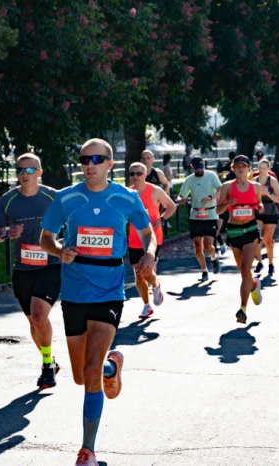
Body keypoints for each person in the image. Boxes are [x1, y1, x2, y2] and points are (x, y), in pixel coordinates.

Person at [39, 138, 157, 466]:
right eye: (84, 159)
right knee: (82, 375)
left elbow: (149, 234)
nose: (89, 164)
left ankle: (87, 450)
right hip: (74, 293)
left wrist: (149, 252)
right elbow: (45, 238)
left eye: (96, 158)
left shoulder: (125, 197)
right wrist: (59, 250)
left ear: (109, 164)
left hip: (109, 291)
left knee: (88, 370)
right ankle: (111, 366)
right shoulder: (66, 198)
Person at [0, 153, 62, 390]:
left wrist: (64, 244)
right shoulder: (8, 200)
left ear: (39, 172)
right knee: (33, 322)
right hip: (23, 269)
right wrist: (6, 234)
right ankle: (50, 358)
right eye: (20, 170)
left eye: (30, 170)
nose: (24, 175)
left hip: (50, 266)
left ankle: (47, 367)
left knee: (39, 315)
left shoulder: (54, 196)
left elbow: (73, 221)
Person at [216, 155, 264, 324]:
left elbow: (259, 205)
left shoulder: (256, 187)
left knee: (245, 267)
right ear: (233, 169)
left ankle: (243, 309)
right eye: (237, 166)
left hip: (250, 229)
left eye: (244, 166)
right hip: (234, 231)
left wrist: (260, 207)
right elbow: (218, 209)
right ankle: (253, 285)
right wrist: (229, 203)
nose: (241, 169)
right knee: (244, 272)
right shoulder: (227, 187)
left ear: (249, 169)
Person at [127, 162, 177, 318]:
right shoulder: (128, 193)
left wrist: (161, 219)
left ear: (145, 174)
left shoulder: (155, 191)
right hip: (134, 239)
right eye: (132, 174)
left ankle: (155, 285)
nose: (135, 176)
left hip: (152, 238)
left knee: (145, 270)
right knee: (138, 273)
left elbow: (171, 206)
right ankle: (146, 306)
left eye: (139, 173)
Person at [177, 156, 222, 281]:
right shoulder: (189, 180)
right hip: (195, 215)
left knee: (208, 245)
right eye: (197, 169)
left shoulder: (211, 175)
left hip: (210, 214)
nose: (200, 171)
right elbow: (180, 196)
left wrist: (210, 197)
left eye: (201, 168)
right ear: (192, 168)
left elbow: (220, 190)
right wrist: (182, 200)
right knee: (198, 246)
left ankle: (214, 258)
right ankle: (204, 271)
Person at [253, 158, 279, 275]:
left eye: (264, 168)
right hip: (259, 210)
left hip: (270, 210)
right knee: (257, 238)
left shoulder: (272, 181)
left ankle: (270, 263)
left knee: (268, 240)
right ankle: (259, 262)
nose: (261, 170)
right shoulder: (254, 181)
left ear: (268, 169)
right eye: (260, 168)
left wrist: (268, 194)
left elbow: (278, 199)